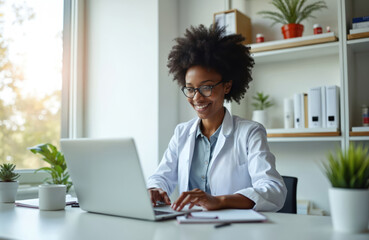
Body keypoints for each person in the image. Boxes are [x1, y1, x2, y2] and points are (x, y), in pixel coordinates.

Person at [147, 24, 286, 212]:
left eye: (206, 87)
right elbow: (161, 177)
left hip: (232, 230)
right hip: (188, 228)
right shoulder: (182, 132)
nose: (196, 97)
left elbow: (273, 189)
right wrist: (154, 189)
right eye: (190, 88)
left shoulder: (250, 132)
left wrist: (219, 201)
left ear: (227, 86)